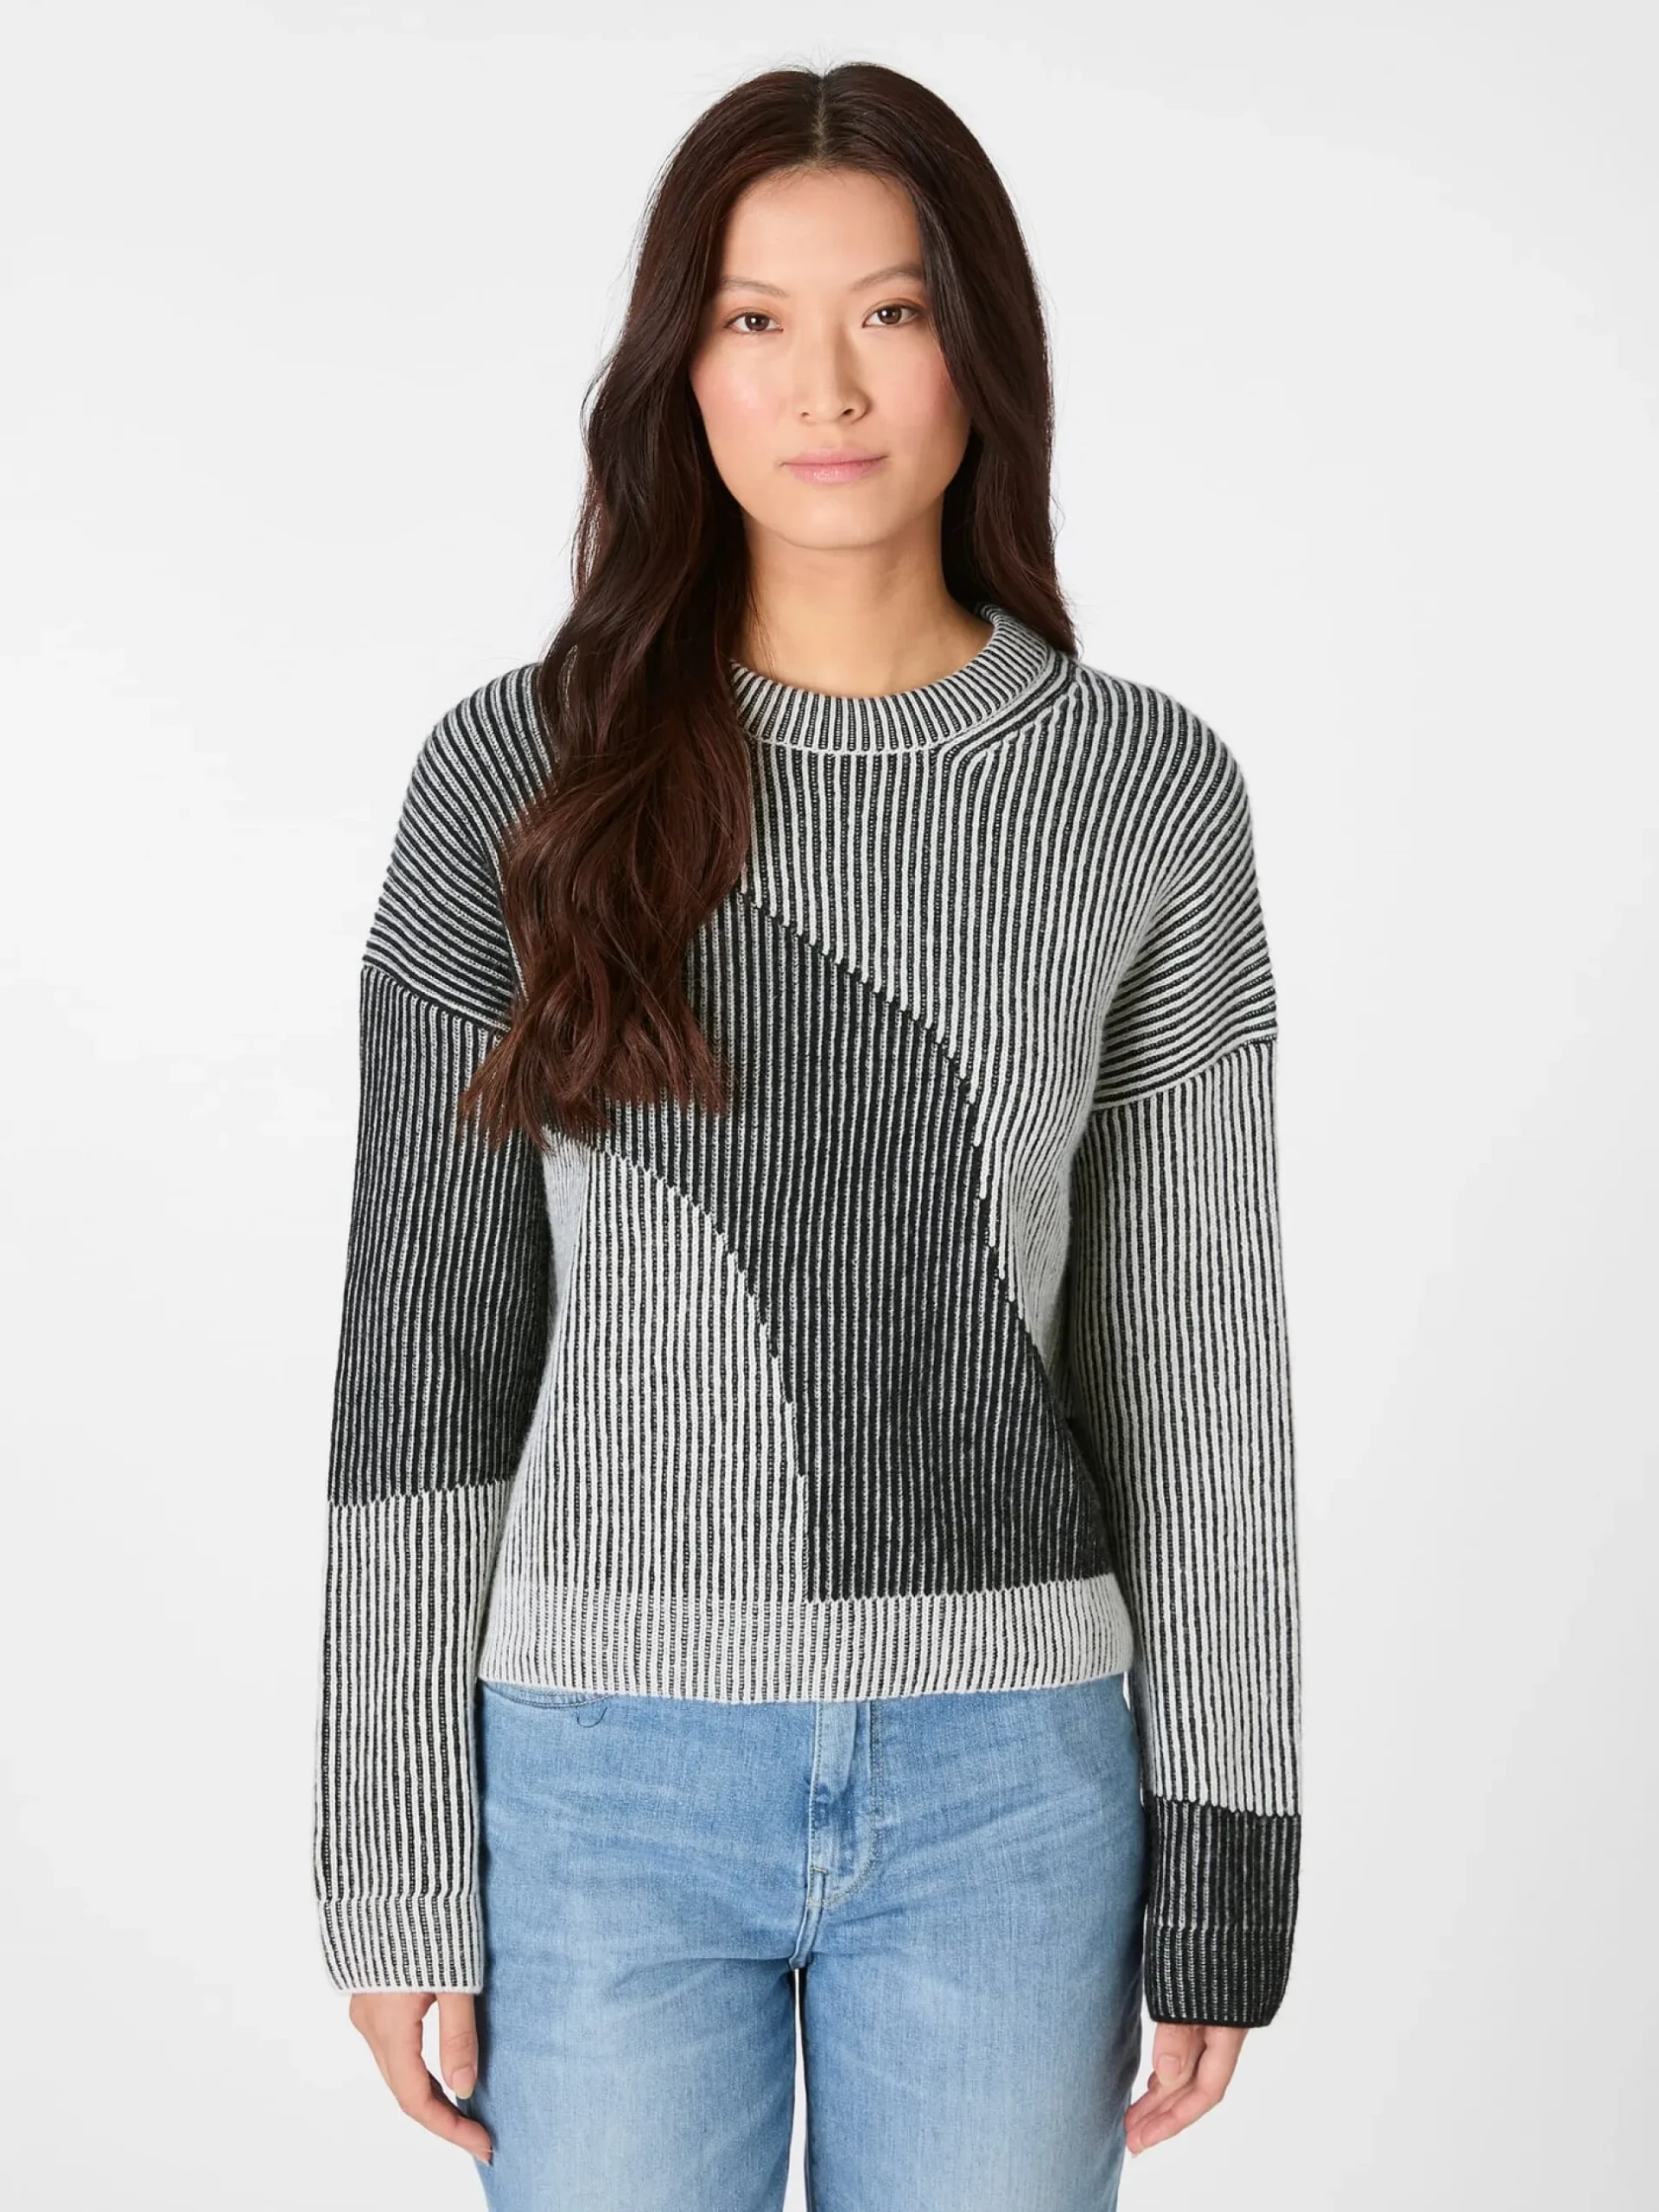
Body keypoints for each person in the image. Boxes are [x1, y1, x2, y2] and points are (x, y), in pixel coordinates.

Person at [311, 58, 1302, 2212]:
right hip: (598, 1781)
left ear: (980, 351)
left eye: (891, 311)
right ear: (680, 366)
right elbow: (424, 1359)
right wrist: (389, 1857)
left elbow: (1197, 1366)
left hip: (1014, 1782)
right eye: (755, 317)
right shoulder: (516, 775)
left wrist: (1228, 1855)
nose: (825, 385)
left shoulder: (1145, 794)